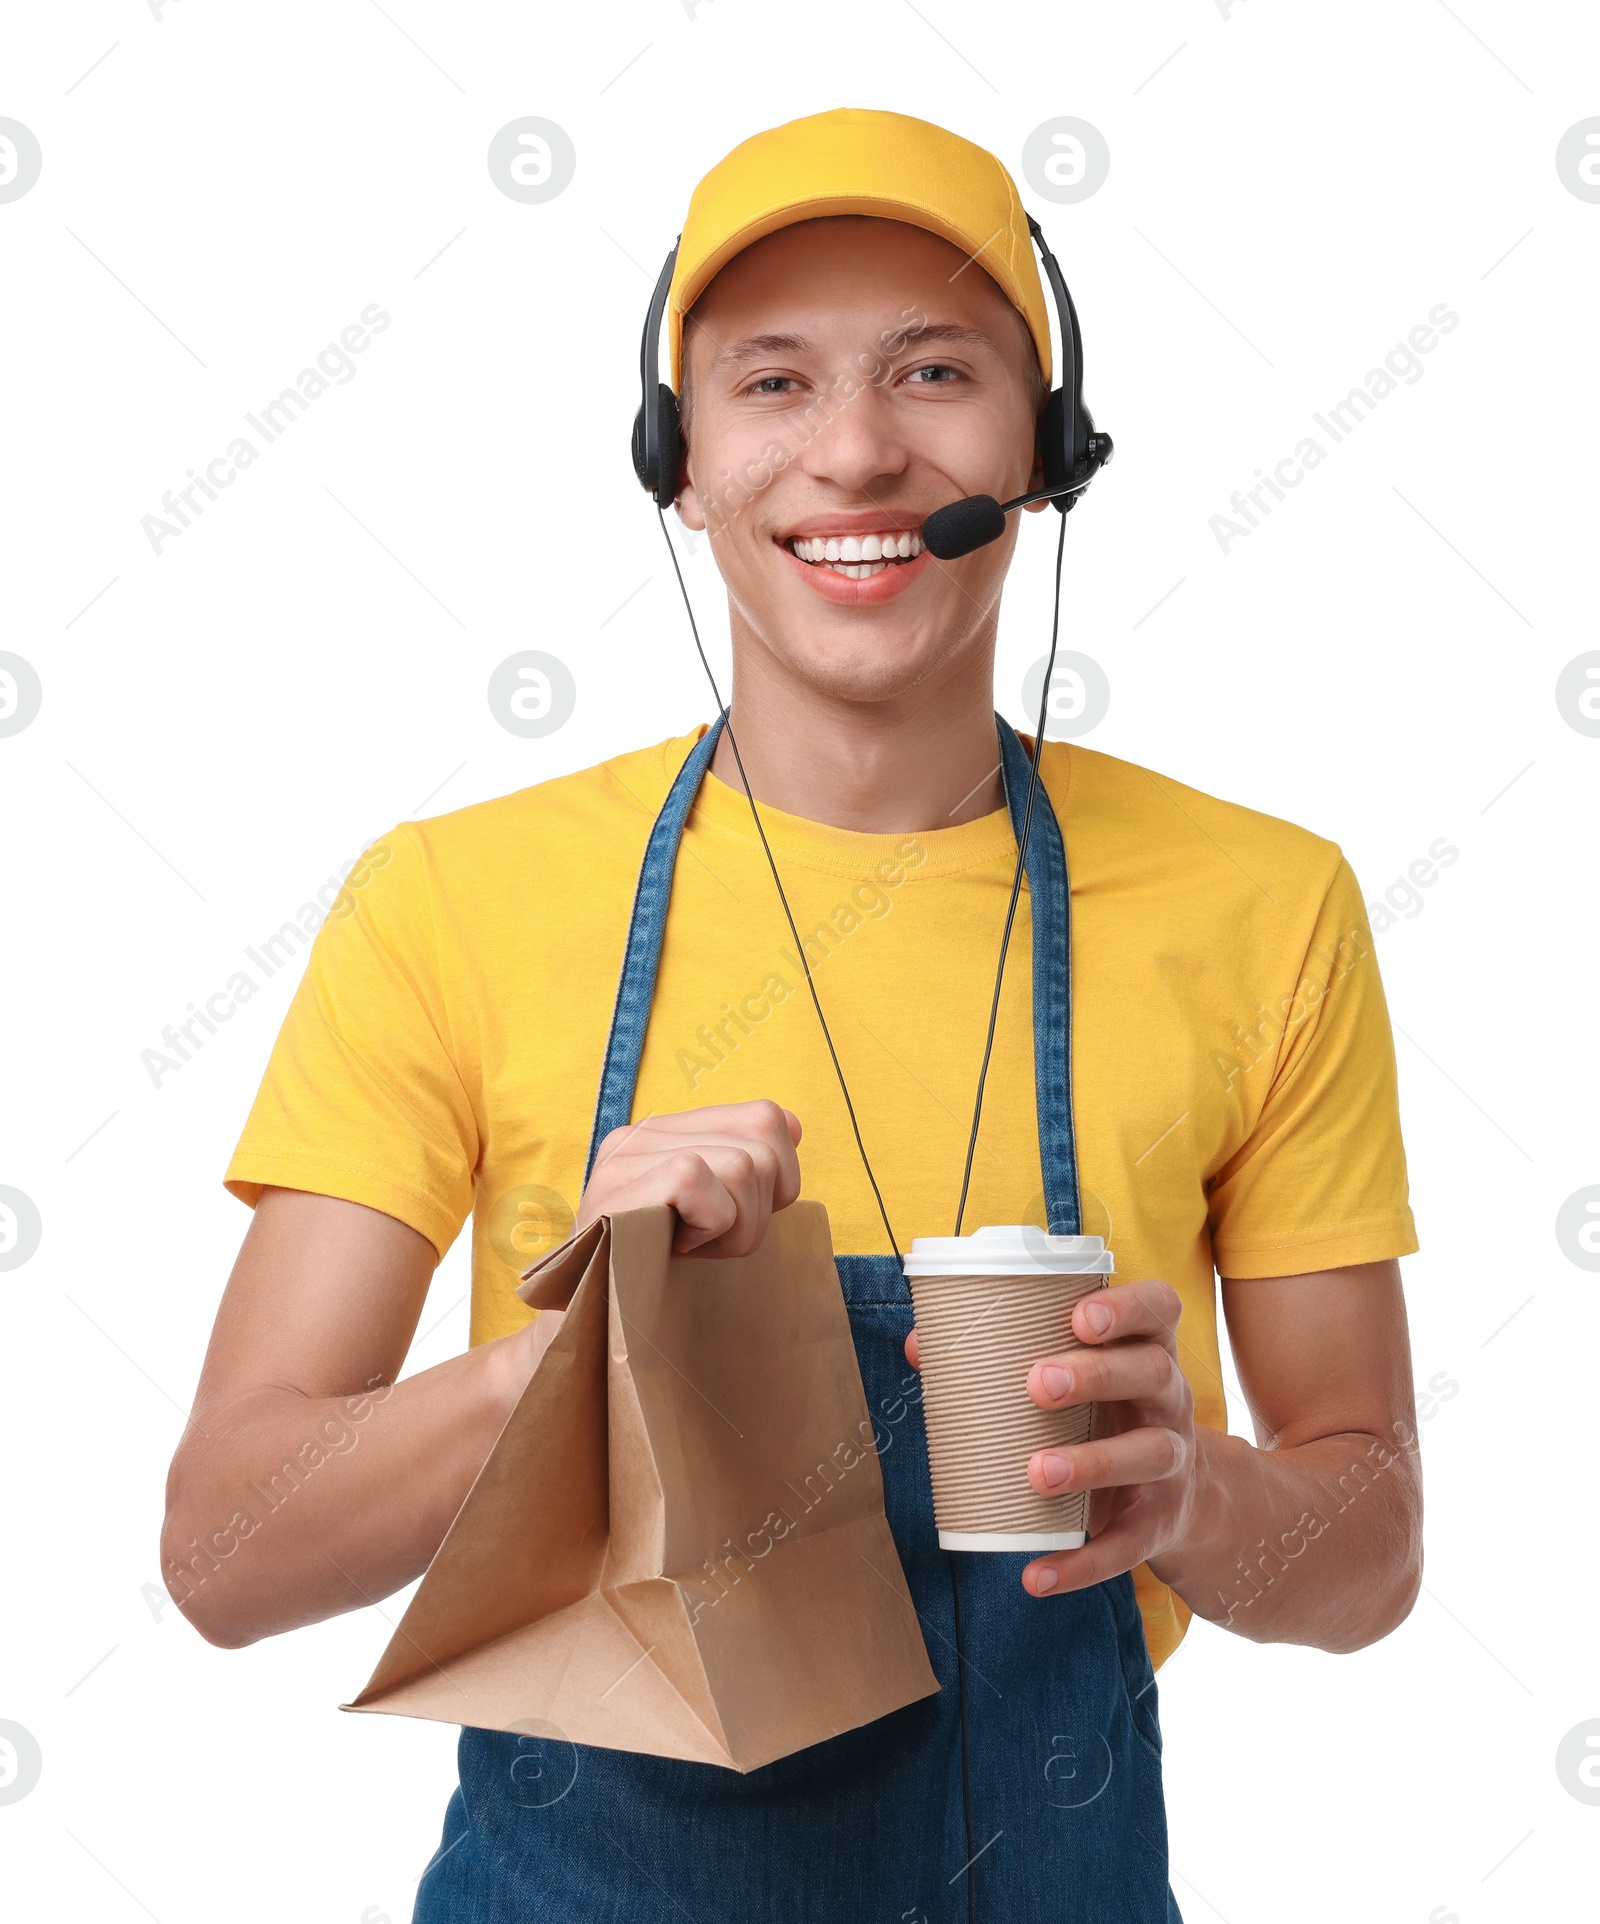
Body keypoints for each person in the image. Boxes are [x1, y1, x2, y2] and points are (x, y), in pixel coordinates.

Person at [162, 108, 1423, 1921]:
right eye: (771, 384)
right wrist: (569, 1371)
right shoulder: (451, 900)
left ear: (1046, 454)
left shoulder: (1265, 904)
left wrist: (1193, 1495)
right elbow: (222, 1554)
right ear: (678, 463)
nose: (856, 452)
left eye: (936, 369)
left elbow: (1368, 1552)